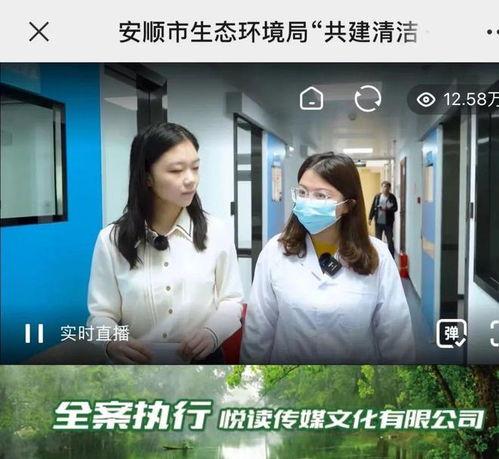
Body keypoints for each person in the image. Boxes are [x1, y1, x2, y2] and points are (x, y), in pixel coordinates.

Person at [87, 122, 243, 364]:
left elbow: (231, 301)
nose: (191, 179)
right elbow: (100, 316)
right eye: (176, 170)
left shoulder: (216, 232)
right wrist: (112, 342)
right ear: (147, 177)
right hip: (137, 369)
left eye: (195, 168)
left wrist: (212, 333)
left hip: (203, 365)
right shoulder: (111, 240)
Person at [240, 152, 414, 364]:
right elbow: (258, 331)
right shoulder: (275, 252)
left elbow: (397, 339)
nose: (308, 202)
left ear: (349, 204)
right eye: (302, 192)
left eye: (321, 196)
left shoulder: (378, 256)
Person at [368, 181, 398, 258]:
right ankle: (378, 256)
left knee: (390, 240)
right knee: (378, 240)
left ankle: (391, 257)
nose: (385, 188)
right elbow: (373, 207)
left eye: (387, 187)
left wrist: (387, 208)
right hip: (379, 221)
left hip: (388, 222)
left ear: (389, 188)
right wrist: (370, 218)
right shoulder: (377, 196)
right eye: (384, 187)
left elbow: (395, 208)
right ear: (382, 187)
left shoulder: (392, 197)